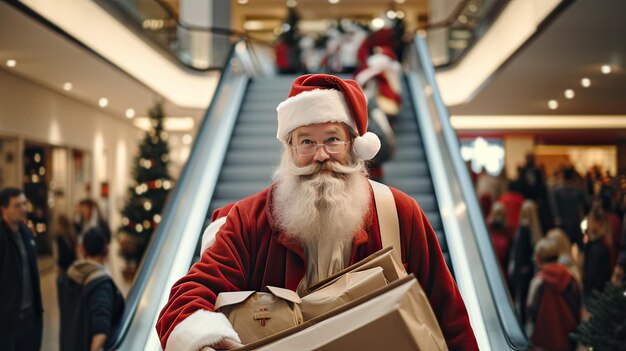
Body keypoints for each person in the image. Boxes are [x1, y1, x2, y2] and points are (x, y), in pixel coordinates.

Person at [156, 74, 478, 350]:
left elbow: (449, 315)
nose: (322, 155)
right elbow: (188, 295)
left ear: (353, 145)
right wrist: (205, 339)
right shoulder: (246, 219)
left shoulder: (400, 213)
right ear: (290, 149)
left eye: (333, 140)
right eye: (306, 142)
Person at [58, 228, 125, 351]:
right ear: (106, 250)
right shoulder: (101, 284)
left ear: (82, 250)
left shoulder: (67, 278)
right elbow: (100, 328)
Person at [0, 187, 44, 351]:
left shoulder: (26, 234)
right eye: (17, 205)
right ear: (3, 209)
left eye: (24, 204)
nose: (24, 209)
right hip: (8, 322)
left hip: (30, 319)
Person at [527, 238, 581, 351]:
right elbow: (577, 307)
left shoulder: (537, 282)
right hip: (567, 340)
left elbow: (530, 311)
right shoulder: (572, 278)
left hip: (543, 342)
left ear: (538, 257)